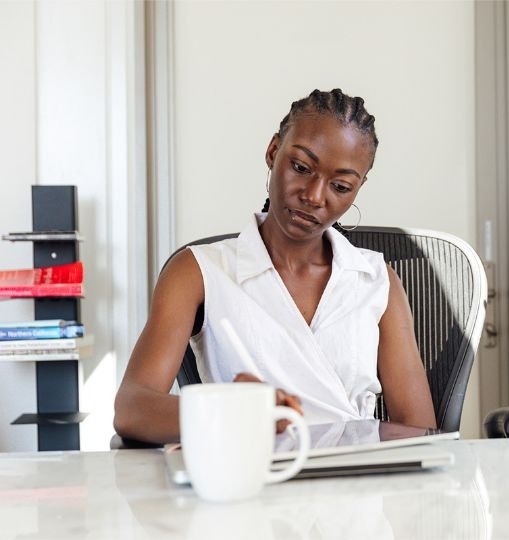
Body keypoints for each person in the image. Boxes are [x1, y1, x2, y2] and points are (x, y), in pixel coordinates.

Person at [114, 88, 436, 443]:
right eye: (300, 167)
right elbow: (132, 408)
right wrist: (231, 412)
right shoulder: (199, 272)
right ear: (272, 152)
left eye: (341, 186)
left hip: (355, 482)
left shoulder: (375, 280)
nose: (314, 196)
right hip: (251, 480)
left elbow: (418, 430)